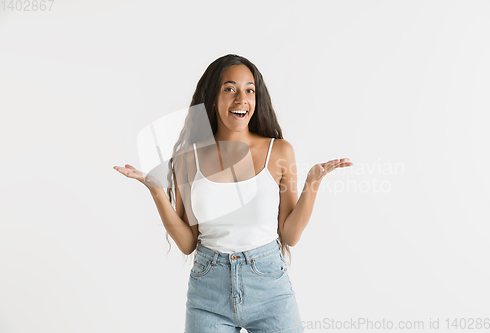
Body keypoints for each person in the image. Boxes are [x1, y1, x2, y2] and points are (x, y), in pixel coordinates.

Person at [113, 54, 353, 332]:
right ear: (213, 99)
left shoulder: (280, 152)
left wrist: (313, 182)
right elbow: (188, 243)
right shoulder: (187, 159)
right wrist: (156, 190)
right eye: (230, 89)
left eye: (249, 90)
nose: (241, 99)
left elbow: (290, 235)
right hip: (208, 292)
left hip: (269, 288)